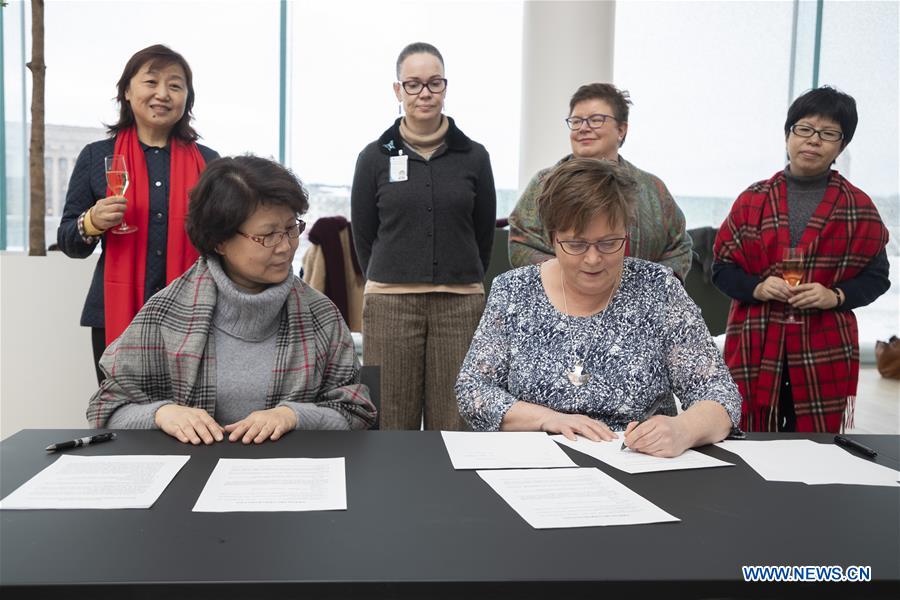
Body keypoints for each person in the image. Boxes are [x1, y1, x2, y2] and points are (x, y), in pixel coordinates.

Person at [456, 158, 739, 457]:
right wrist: (548, 419)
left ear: (626, 233)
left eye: (608, 243)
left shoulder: (658, 289)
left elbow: (719, 393)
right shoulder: (514, 291)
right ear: (552, 238)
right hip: (535, 460)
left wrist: (683, 430)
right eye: (576, 245)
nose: (593, 259)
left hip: (640, 465)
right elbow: (473, 389)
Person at [86, 156, 376, 443]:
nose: (286, 247)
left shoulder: (319, 314)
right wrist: (162, 414)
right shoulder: (166, 313)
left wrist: (294, 416)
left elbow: (356, 412)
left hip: (290, 478)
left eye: (291, 228)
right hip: (192, 477)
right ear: (220, 241)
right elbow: (106, 408)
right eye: (268, 235)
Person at [713, 86, 890, 433]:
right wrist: (759, 287)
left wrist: (834, 295)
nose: (813, 141)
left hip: (824, 348)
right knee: (748, 438)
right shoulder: (753, 199)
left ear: (842, 145)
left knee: (815, 446)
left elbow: (877, 277)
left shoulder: (858, 206)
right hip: (755, 344)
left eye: (828, 134)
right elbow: (721, 270)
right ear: (787, 134)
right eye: (804, 129)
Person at [351, 42, 496, 431]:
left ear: (445, 88)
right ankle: (387, 492)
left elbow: (483, 234)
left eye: (434, 82)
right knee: (388, 419)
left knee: (456, 419)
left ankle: (450, 493)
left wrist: (460, 276)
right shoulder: (374, 157)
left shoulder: (475, 157)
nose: (424, 93)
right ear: (398, 91)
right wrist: (391, 274)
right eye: (413, 84)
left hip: (460, 306)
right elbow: (363, 235)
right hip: (390, 305)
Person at [57, 44, 219, 384]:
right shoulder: (96, 156)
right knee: (119, 415)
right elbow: (70, 242)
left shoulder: (209, 162)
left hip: (194, 313)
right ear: (127, 92)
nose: (163, 93)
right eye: (151, 82)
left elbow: (223, 239)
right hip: (113, 312)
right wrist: (92, 222)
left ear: (187, 99)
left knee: (192, 418)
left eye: (175, 85)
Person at [508, 83, 692, 281]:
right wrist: (570, 280)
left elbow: (679, 246)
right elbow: (522, 242)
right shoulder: (544, 184)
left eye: (596, 120)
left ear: (621, 129)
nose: (584, 128)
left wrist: (649, 285)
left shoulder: (653, 188)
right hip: (561, 304)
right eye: (577, 121)